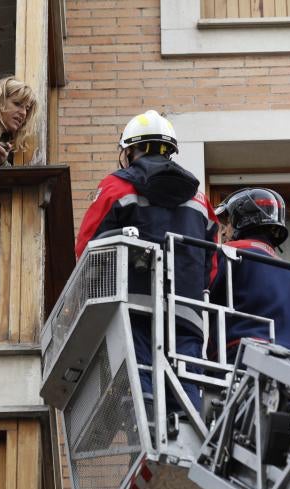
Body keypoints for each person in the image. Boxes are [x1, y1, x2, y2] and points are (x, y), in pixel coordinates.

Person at [75, 110, 219, 412]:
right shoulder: (200, 200)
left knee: (141, 390)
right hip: (188, 313)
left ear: (129, 151)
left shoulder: (116, 187)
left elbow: (87, 250)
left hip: (135, 308)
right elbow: (212, 265)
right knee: (186, 391)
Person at [209, 188, 290, 359]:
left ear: (241, 221)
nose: (223, 232)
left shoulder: (231, 253)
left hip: (241, 356)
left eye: (226, 224)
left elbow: (204, 288)